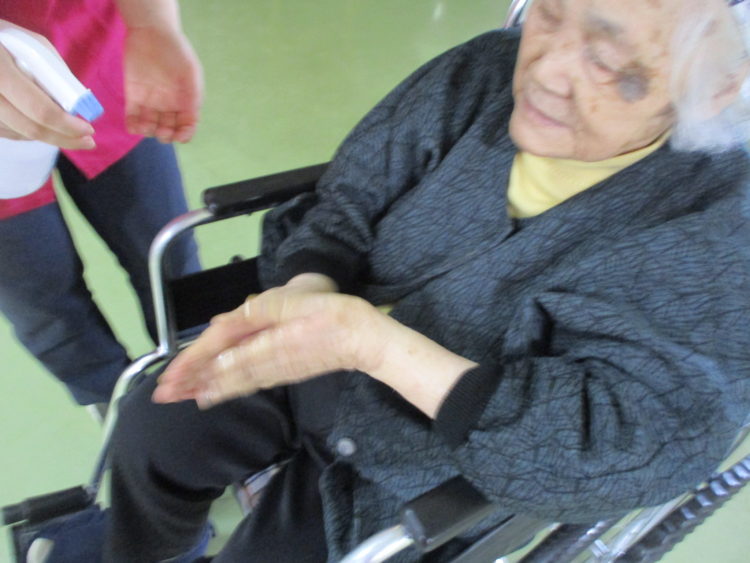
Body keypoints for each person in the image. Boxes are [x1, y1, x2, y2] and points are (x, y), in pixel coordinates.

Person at [74, 0, 750, 561]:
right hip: (319, 345)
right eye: (548, 14)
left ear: (717, 82)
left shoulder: (720, 232)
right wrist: (310, 286)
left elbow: (622, 444)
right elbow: (348, 198)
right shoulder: (481, 72)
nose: (545, 70)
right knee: (153, 428)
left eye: (604, 59)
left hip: (433, 461)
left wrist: (375, 346)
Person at [0, 0, 203, 409]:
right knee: (46, 305)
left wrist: (151, 25)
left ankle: (210, 386)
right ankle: (119, 412)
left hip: (98, 52)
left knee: (167, 255)